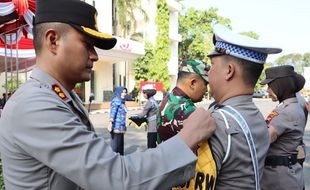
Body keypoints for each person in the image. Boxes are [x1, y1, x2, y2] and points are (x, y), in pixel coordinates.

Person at [0, 0, 217, 189]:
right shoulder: (34, 105)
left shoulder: (62, 97)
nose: (94, 56)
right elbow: (116, 179)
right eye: (87, 45)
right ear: (53, 40)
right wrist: (188, 136)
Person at [207, 24, 282, 189]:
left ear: (229, 71)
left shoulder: (218, 123)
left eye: (212, 65)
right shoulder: (255, 114)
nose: (208, 73)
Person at [157, 59, 214, 189]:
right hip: (178, 181)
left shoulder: (170, 99)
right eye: (205, 84)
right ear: (193, 82)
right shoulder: (184, 109)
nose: (206, 90)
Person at [260, 65, 306, 190]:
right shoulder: (285, 107)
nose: (268, 90)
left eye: (270, 86)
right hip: (278, 175)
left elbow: (264, 139)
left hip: (280, 179)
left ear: (281, 85)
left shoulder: (289, 112)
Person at [107, 86, 128, 155]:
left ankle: (120, 160)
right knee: (115, 147)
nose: (124, 94)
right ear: (119, 92)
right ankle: (115, 161)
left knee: (120, 145)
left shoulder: (122, 101)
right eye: (122, 92)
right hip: (116, 127)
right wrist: (110, 123)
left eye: (125, 92)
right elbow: (113, 113)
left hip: (121, 127)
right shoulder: (116, 100)